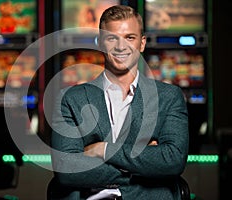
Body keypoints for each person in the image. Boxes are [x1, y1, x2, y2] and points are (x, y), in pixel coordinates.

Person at [49, 5, 189, 200]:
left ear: (142, 43)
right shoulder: (70, 99)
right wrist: (147, 164)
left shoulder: (169, 96)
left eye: (129, 37)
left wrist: (104, 150)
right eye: (112, 38)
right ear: (100, 43)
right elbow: (66, 169)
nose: (121, 46)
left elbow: (173, 160)